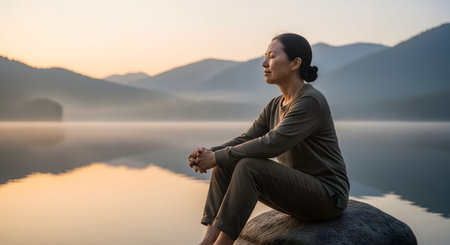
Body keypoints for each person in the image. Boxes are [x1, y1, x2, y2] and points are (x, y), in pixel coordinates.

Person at [188, 33, 350, 245]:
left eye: (272, 56)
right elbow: (247, 139)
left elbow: (273, 143)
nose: (264, 63)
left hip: (328, 196)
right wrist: (207, 154)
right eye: (265, 56)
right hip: (298, 191)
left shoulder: (310, 101)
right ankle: (208, 239)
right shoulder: (275, 104)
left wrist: (216, 156)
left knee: (248, 166)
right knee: (226, 163)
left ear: (295, 63)